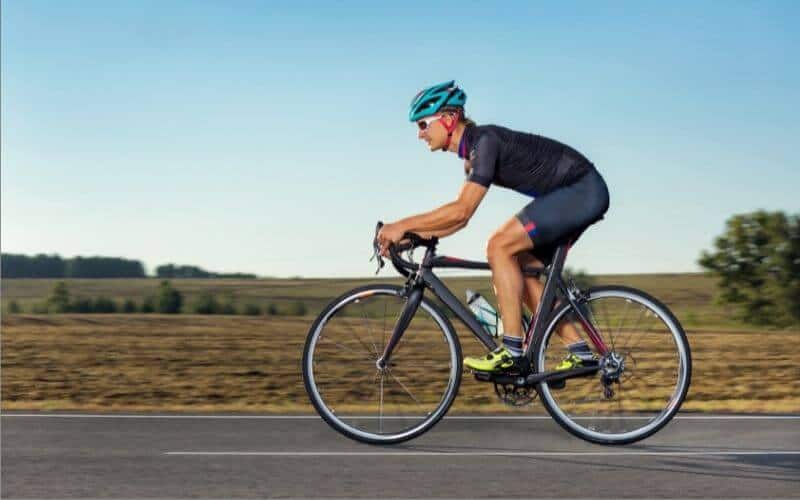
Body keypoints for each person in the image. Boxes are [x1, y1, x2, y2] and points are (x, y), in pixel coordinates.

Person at [377, 81, 610, 374]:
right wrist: (410, 237)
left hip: (581, 189)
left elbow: (461, 213)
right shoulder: (473, 152)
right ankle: (580, 353)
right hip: (574, 193)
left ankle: (512, 351)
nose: (419, 133)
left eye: (423, 124)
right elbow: (454, 221)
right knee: (521, 269)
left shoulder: (483, 142)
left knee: (499, 246)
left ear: (448, 119)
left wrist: (402, 225)